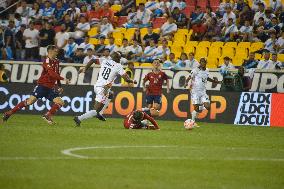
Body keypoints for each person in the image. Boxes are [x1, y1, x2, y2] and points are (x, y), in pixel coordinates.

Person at [2, 45, 70, 124]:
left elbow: (57, 73)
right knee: (30, 102)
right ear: (50, 51)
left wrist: (59, 86)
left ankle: (47, 115)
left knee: (61, 102)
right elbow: (51, 73)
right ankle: (8, 113)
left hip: (50, 88)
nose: (57, 52)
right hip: (42, 86)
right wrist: (64, 79)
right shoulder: (46, 61)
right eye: (55, 50)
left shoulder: (57, 61)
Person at [73, 52, 136, 127]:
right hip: (103, 89)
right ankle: (79, 118)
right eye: (119, 58)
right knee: (95, 110)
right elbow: (126, 79)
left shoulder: (104, 60)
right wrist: (132, 81)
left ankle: (100, 113)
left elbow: (93, 60)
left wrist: (85, 69)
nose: (120, 59)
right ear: (116, 58)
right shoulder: (118, 66)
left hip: (97, 86)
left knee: (111, 94)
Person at [184, 57, 222, 127]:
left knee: (207, 107)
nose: (202, 63)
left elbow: (207, 78)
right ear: (200, 62)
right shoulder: (195, 70)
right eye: (201, 62)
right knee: (197, 109)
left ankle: (195, 114)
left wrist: (216, 81)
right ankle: (193, 122)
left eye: (204, 62)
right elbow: (189, 76)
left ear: (206, 63)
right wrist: (186, 83)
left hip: (203, 91)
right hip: (194, 91)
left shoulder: (207, 70)